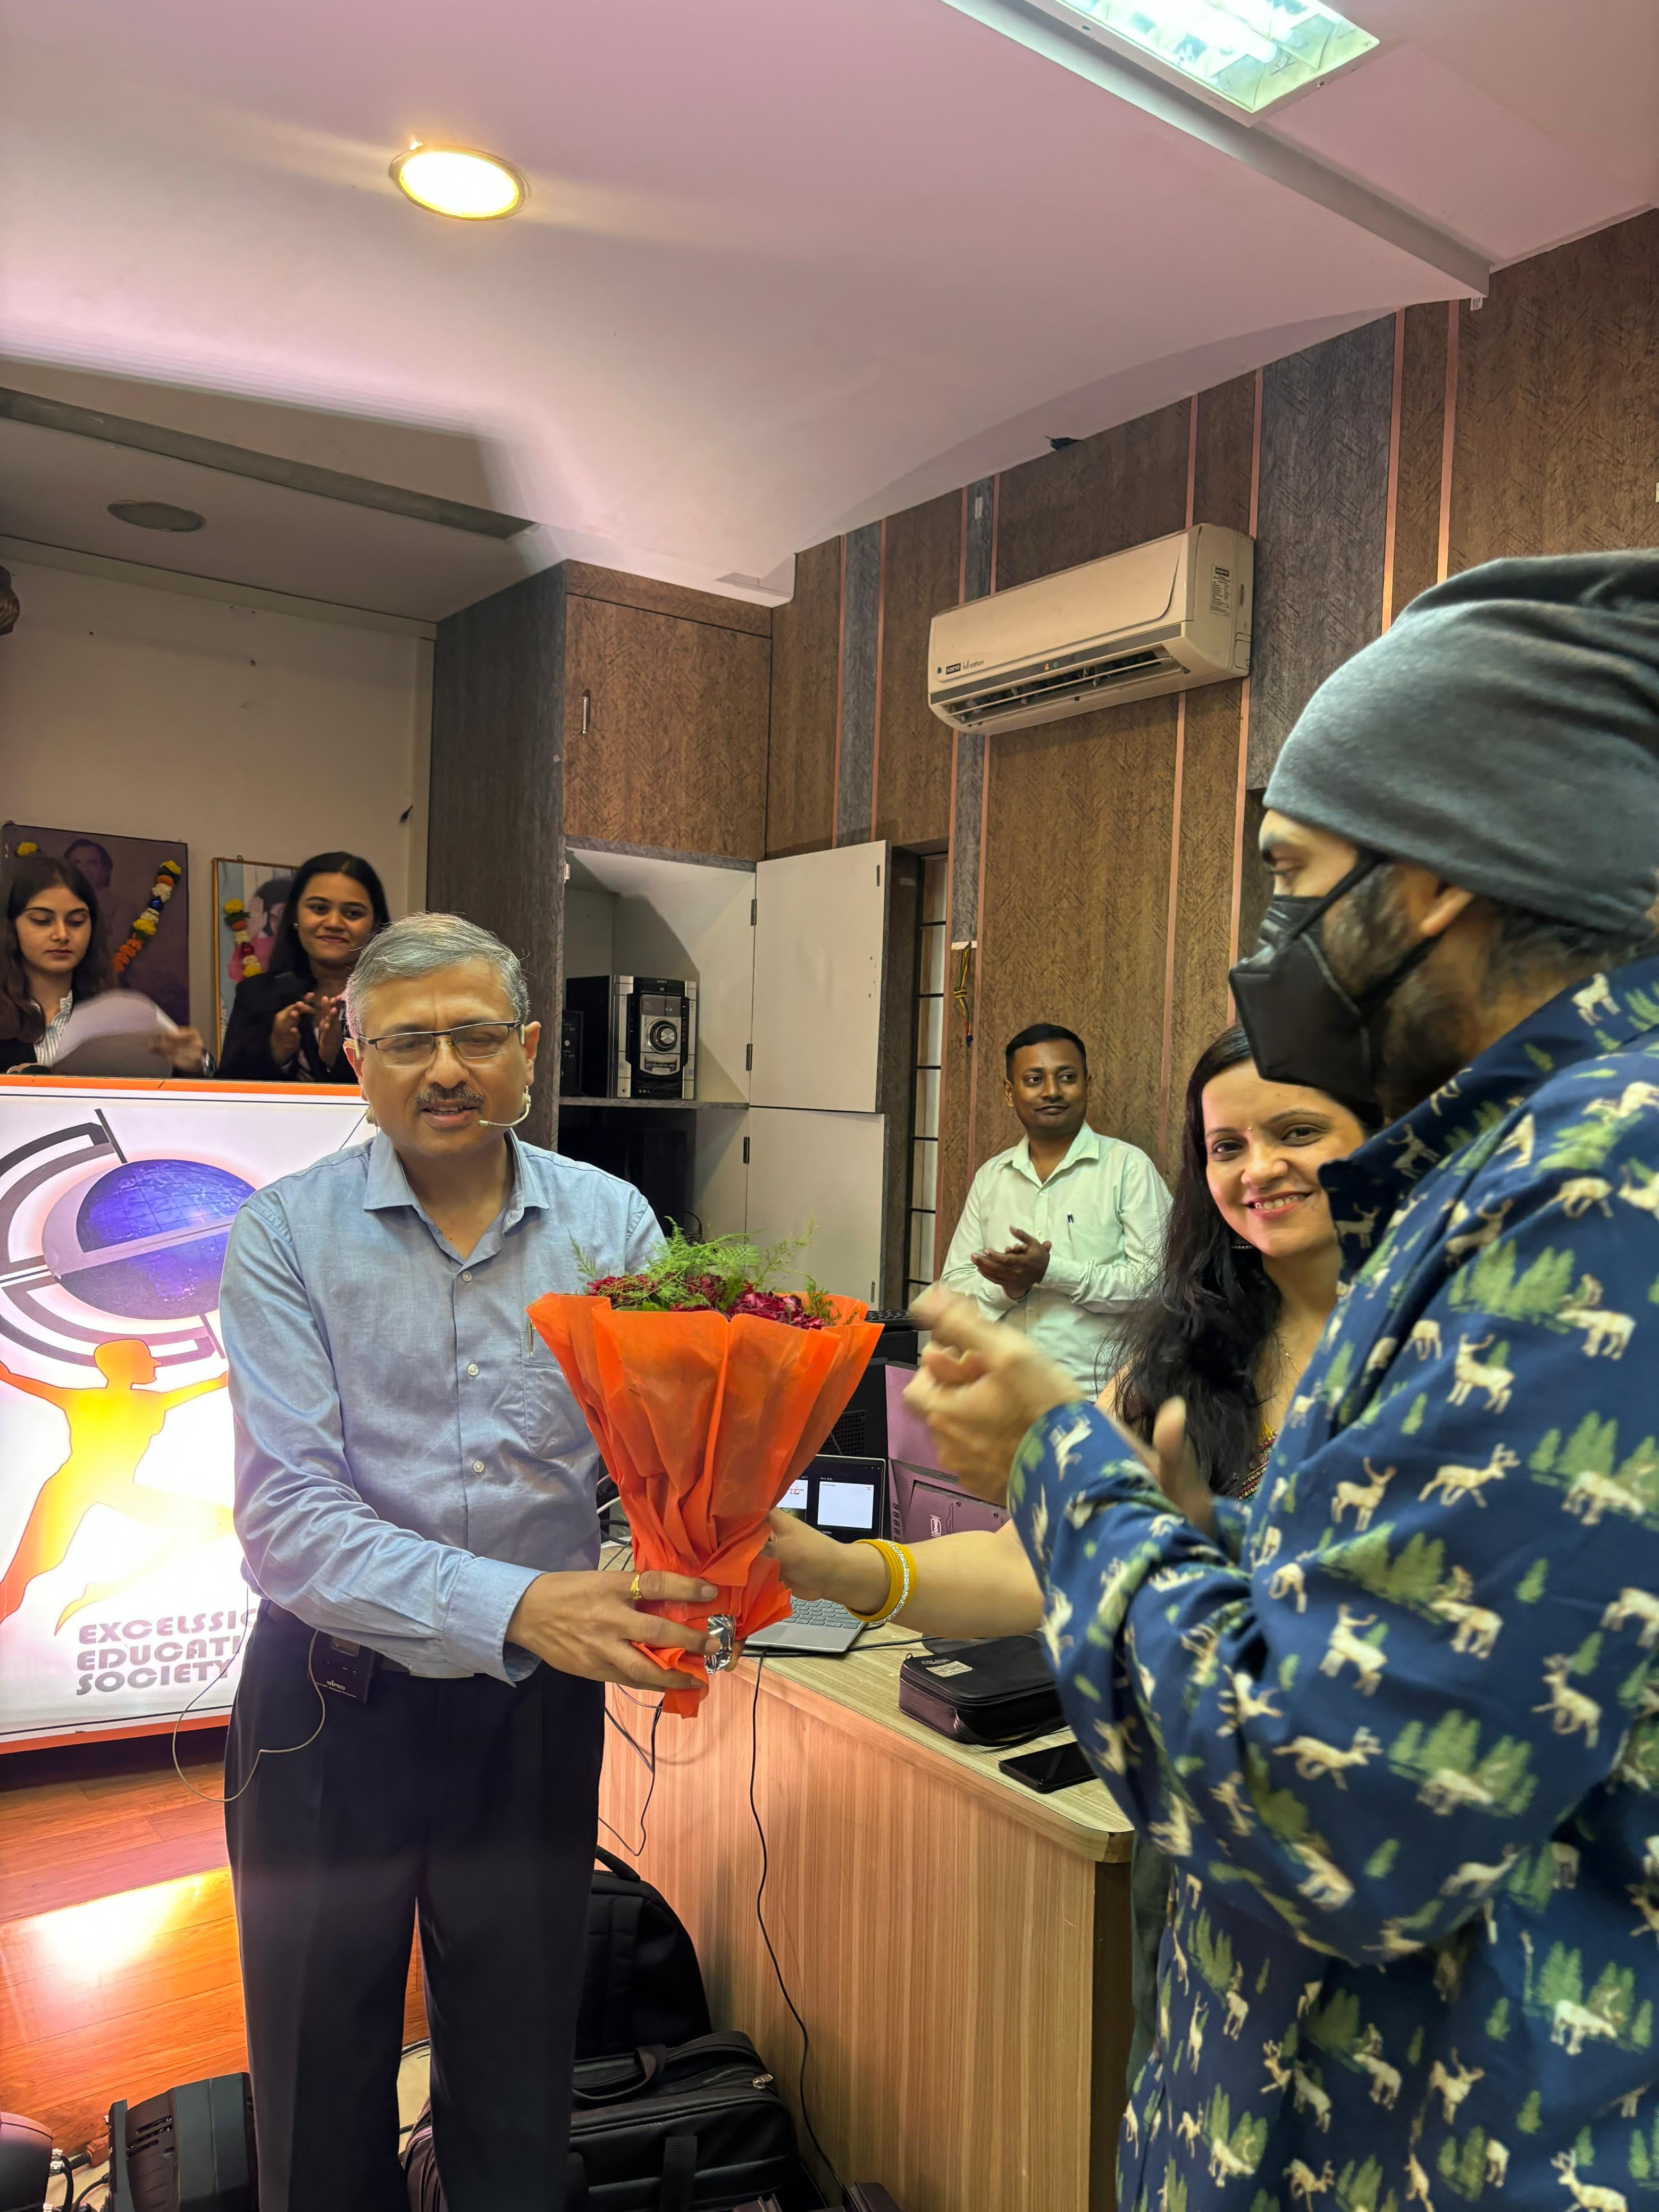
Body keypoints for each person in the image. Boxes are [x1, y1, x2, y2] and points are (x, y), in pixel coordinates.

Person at [906, 551, 1659, 2208]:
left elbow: (1330, 1811)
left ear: (1433, 880)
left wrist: (1059, 1460)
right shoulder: (1491, 1178)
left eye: (1292, 879)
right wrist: (1204, 1541)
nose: (1270, 949)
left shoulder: (1596, 1188)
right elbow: (1443, 1622)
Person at [217, 911, 719, 2212]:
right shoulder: (284, 1233)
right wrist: (523, 1604)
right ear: (357, 1058)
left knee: (517, 2072)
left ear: (530, 1051)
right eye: (408, 1041)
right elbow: (288, 1519)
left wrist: (701, 1537)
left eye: (477, 1036)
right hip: (327, 1706)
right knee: (315, 2076)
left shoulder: (610, 1221)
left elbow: (658, 1455)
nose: (446, 1068)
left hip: (530, 1714)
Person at [769, 1028, 1366, 2080]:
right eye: (1227, 1146)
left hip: (1364, 1852)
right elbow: (1031, 1563)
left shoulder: (1443, 1368)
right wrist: (844, 1572)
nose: (1259, 1168)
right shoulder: (1183, 1359)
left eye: (1297, 1132)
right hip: (1193, 1839)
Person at [940, 1021, 1171, 1392]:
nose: (1052, 1091)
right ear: (1010, 1093)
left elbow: (1158, 1285)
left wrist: (1051, 1271)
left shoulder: (1128, 1168)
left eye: (1067, 1078)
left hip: (1099, 1399)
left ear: (1087, 1085)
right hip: (1002, 1394)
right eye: (1034, 1080)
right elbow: (953, 1290)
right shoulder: (991, 1177)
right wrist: (1009, 1288)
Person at [0, 853, 207, 1074]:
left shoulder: (118, 1018)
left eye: (76, 922)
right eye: (42, 921)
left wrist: (196, 1065)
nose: (62, 935)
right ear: (11, 927)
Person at [218, 851, 388, 1082]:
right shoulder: (255, 995)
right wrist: (276, 1054)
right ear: (295, 916)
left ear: (375, 923)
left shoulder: (396, 1000)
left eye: (353, 913)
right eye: (319, 909)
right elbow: (228, 1088)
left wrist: (339, 1060)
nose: (334, 923)